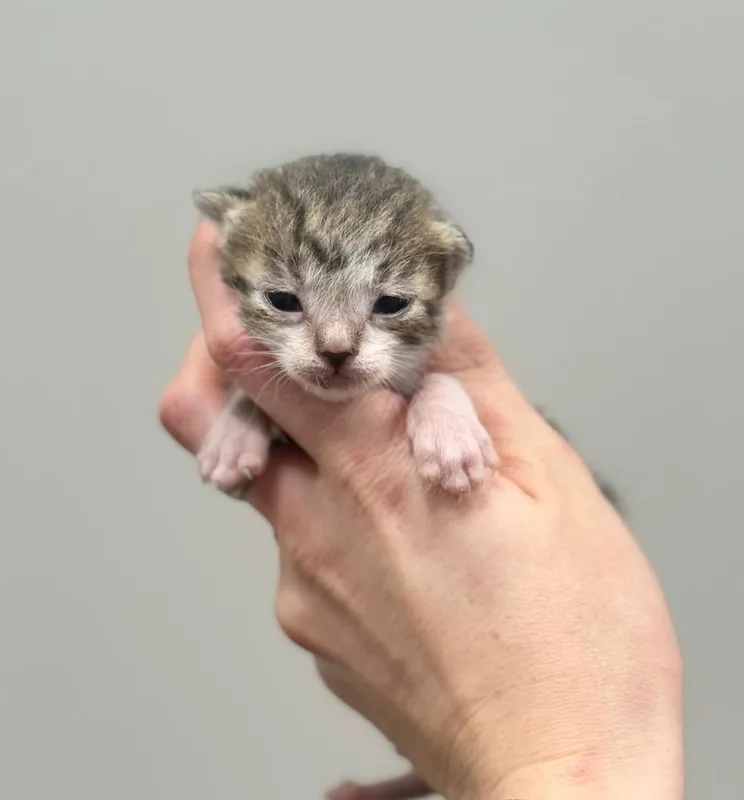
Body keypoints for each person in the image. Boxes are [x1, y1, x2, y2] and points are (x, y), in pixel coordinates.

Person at [159, 221, 684, 799]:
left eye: (387, 303)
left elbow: (451, 392)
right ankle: (430, 774)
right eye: (286, 300)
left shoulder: (431, 367)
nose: (336, 345)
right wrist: (247, 411)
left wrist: (441, 400)